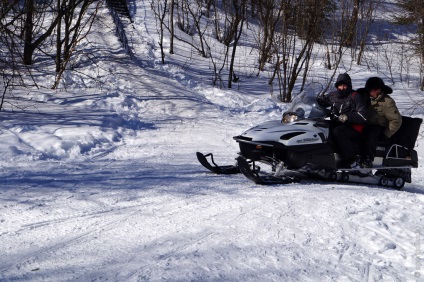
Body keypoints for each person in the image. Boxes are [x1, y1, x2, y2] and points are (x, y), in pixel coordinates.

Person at [318, 73, 368, 168]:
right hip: (337, 123)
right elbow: (323, 102)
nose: (342, 88)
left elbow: (363, 116)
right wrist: (316, 101)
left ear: (349, 85)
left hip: (352, 127)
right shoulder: (333, 95)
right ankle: (321, 156)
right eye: (340, 85)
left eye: (344, 85)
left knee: (338, 131)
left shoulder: (355, 96)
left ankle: (351, 159)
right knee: (321, 126)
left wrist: (347, 116)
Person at [360, 77, 402, 168]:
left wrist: (387, 134)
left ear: (378, 90)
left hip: (379, 127)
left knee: (371, 132)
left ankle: (368, 159)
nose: (369, 92)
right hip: (365, 125)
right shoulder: (366, 98)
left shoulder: (387, 102)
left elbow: (396, 120)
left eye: (371, 90)